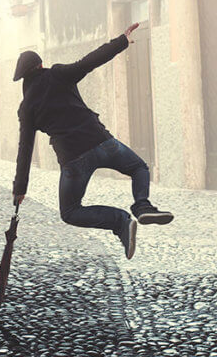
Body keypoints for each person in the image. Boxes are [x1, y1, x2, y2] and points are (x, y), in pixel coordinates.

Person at [11, 23, 174, 260]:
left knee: (70, 211)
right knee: (139, 167)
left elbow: (24, 150)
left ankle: (120, 221)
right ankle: (143, 206)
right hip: (102, 142)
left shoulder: (27, 108)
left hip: (73, 159)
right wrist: (121, 42)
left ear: (23, 78)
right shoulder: (57, 74)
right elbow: (89, 62)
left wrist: (20, 188)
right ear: (40, 65)